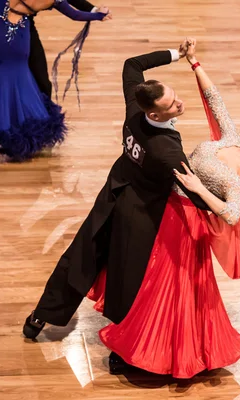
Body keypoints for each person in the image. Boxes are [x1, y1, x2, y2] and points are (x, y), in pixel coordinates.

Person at [85, 39, 240, 378]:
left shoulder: (236, 183)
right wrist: (194, 62)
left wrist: (197, 188)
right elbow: (214, 99)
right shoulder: (231, 139)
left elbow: (232, 214)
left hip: (181, 220)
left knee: (160, 287)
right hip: (168, 205)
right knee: (149, 278)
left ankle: (144, 350)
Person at [22, 43, 212, 360]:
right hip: (139, 214)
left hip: (112, 193)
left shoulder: (135, 108)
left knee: (80, 256)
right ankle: (121, 350)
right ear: (155, 113)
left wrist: (175, 54)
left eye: (175, 95)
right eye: (172, 104)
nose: (179, 103)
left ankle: (40, 317)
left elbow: (131, 64)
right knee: (128, 279)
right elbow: (196, 194)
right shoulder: (167, 151)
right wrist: (233, 196)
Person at [0, 0, 108, 163]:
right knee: (7, 85)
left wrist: (94, 10)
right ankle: (1, 138)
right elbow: (75, 14)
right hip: (11, 39)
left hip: (0, 32)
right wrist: (99, 15)